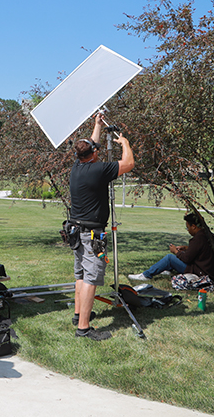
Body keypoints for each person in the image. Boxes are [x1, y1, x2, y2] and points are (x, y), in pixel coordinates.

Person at [68, 113, 134, 341]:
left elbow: (90, 144)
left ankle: (79, 315)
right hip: (91, 235)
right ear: (94, 154)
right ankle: (84, 328)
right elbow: (129, 164)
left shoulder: (77, 167)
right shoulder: (99, 170)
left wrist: (96, 125)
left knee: (80, 275)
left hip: (76, 231)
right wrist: (124, 143)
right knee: (91, 278)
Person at [129, 212, 214, 281]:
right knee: (178, 255)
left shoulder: (198, 239)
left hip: (200, 272)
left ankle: (146, 275)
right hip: (210, 271)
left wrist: (175, 251)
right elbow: (203, 250)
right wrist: (187, 248)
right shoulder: (208, 235)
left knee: (170, 258)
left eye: (187, 227)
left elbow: (186, 258)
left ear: (194, 226)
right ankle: (166, 268)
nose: (188, 230)